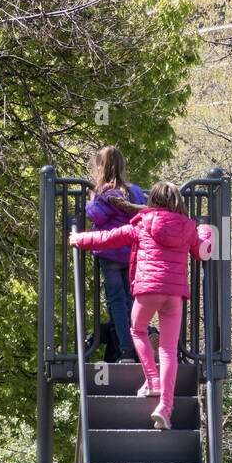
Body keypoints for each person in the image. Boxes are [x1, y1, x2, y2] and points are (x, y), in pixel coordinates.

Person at [70, 181, 214, 430]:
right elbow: (203, 252)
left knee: (137, 330)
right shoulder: (188, 228)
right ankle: (165, 408)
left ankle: (152, 380)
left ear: (152, 200)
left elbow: (108, 238)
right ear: (177, 201)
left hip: (147, 290)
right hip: (174, 295)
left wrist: (79, 238)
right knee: (168, 350)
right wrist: (206, 230)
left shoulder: (142, 223)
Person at [84, 146, 157, 364]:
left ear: (100, 168)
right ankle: (142, 343)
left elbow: (94, 215)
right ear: (122, 166)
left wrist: (90, 198)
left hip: (110, 253)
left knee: (116, 301)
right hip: (133, 252)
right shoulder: (134, 191)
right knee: (131, 301)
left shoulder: (103, 193)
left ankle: (126, 350)